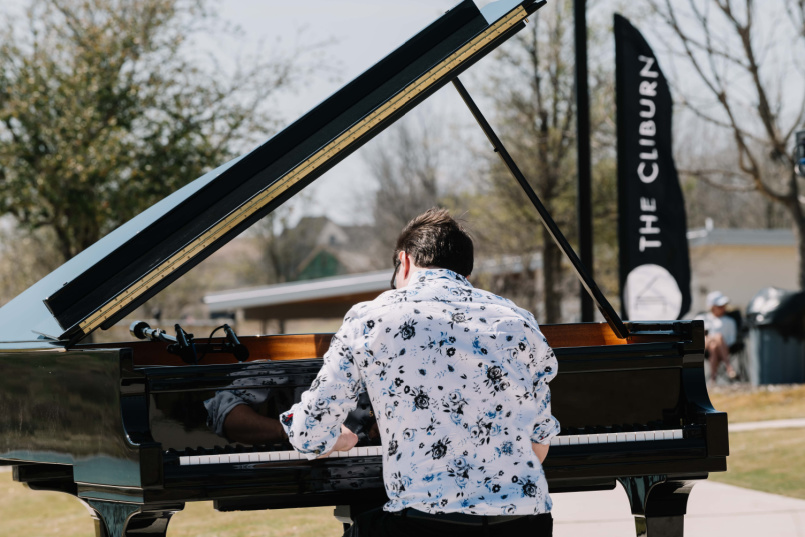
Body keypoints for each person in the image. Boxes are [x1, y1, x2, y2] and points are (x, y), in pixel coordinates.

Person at [280, 208, 559, 536]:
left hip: (423, 524)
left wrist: (341, 438)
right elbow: (538, 443)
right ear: (465, 275)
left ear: (405, 261)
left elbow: (307, 433)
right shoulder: (518, 321)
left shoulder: (371, 318)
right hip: (525, 525)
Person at [698, 291, 738, 382]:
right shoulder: (701, 318)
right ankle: (729, 367)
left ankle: (713, 379)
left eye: (724, 306)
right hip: (705, 346)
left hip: (722, 348)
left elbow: (731, 339)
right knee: (718, 337)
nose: (723, 308)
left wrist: (718, 342)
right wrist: (715, 338)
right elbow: (698, 338)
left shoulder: (730, 321)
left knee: (714, 346)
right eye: (720, 306)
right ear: (712, 307)